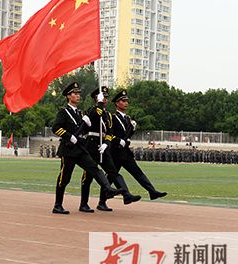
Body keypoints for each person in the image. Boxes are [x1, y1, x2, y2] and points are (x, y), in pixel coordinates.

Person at [51, 82, 124, 214]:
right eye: (75, 93)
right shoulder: (64, 112)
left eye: (79, 93)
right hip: (68, 150)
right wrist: (69, 136)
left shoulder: (80, 113)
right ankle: (58, 205)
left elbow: (87, 128)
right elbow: (56, 128)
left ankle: (107, 188)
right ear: (68, 96)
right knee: (65, 177)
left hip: (80, 148)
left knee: (94, 168)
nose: (78, 96)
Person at [78, 87, 141, 213]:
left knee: (113, 172)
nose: (106, 99)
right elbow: (96, 114)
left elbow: (110, 132)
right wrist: (99, 104)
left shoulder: (108, 115)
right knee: (88, 176)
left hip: (103, 146)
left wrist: (106, 143)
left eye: (106, 97)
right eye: (103, 97)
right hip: (91, 145)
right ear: (97, 98)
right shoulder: (92, 110)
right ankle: (83, 203)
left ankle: (126, 194)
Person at [109, 90, 167, 201]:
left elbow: (127, 135)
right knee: (111, 177)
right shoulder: (112, 117)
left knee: (138, 173)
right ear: (117, 103)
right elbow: (108, 134)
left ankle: (152, 191)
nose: (126, 103)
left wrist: (132, 130)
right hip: (116, 152)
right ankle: (102, 201)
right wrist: (118, 140)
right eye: (123, 101)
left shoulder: (127, 118)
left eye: (127, 101)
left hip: (126, 152)